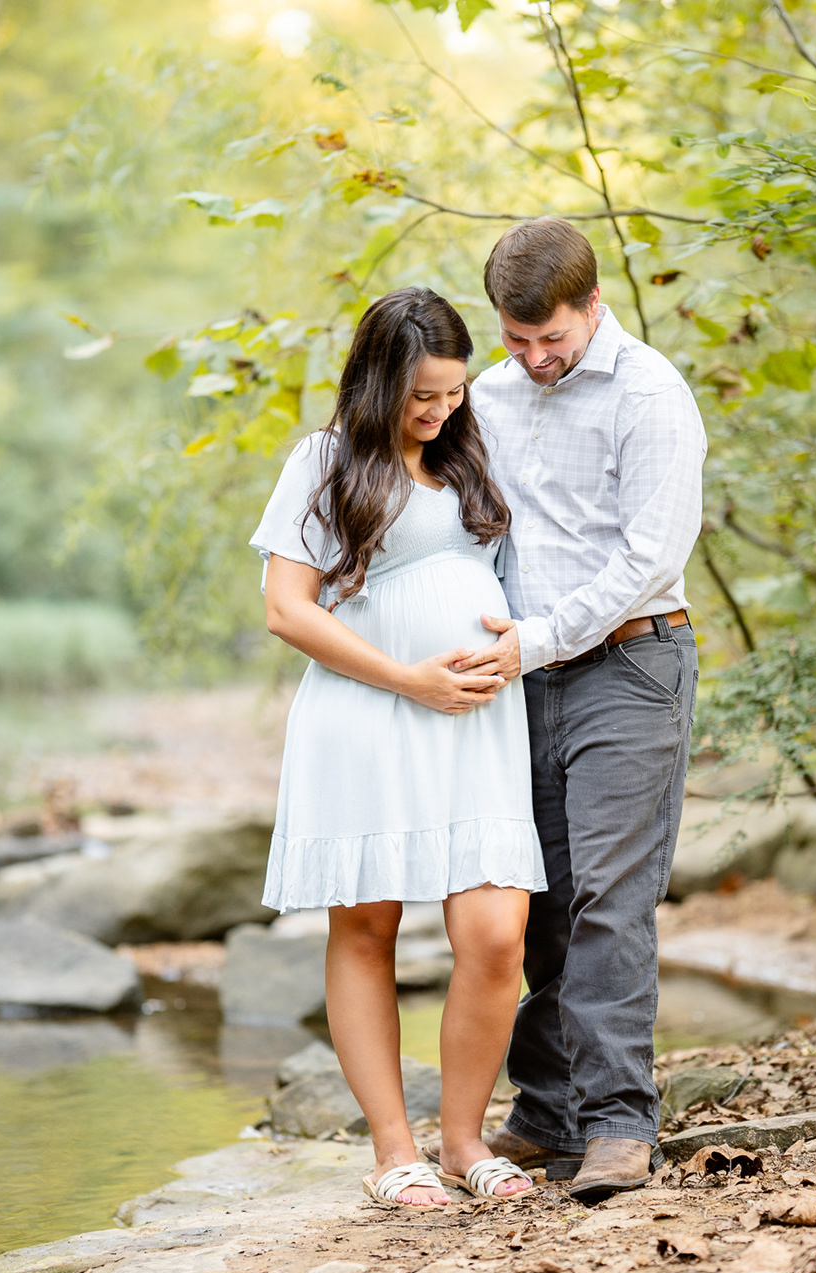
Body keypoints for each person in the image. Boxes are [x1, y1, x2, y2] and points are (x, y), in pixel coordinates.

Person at [250, 286, 547, 1208]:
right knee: (367, 925)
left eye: (453, 393)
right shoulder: (325, 460)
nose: (439, 410)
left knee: (496, 935)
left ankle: (465, 1140)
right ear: (377, 381)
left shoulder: (471, 452)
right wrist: (407, 677)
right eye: (422, 395)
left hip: (475, 724)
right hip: (367, 714)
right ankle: (394, 1150)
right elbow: (285, 609)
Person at [450, 218, 707, 1203]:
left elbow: (646, 559)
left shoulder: (651, 396)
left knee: (609, 895)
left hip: (629, 667)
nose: (535, 357)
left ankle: (616, 1123)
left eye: (551, 337)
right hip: (524, 677)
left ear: (593, 304)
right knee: (541, 897)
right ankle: (548, 1109)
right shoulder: (495, 397)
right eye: (516, 340)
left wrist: (538, 638)